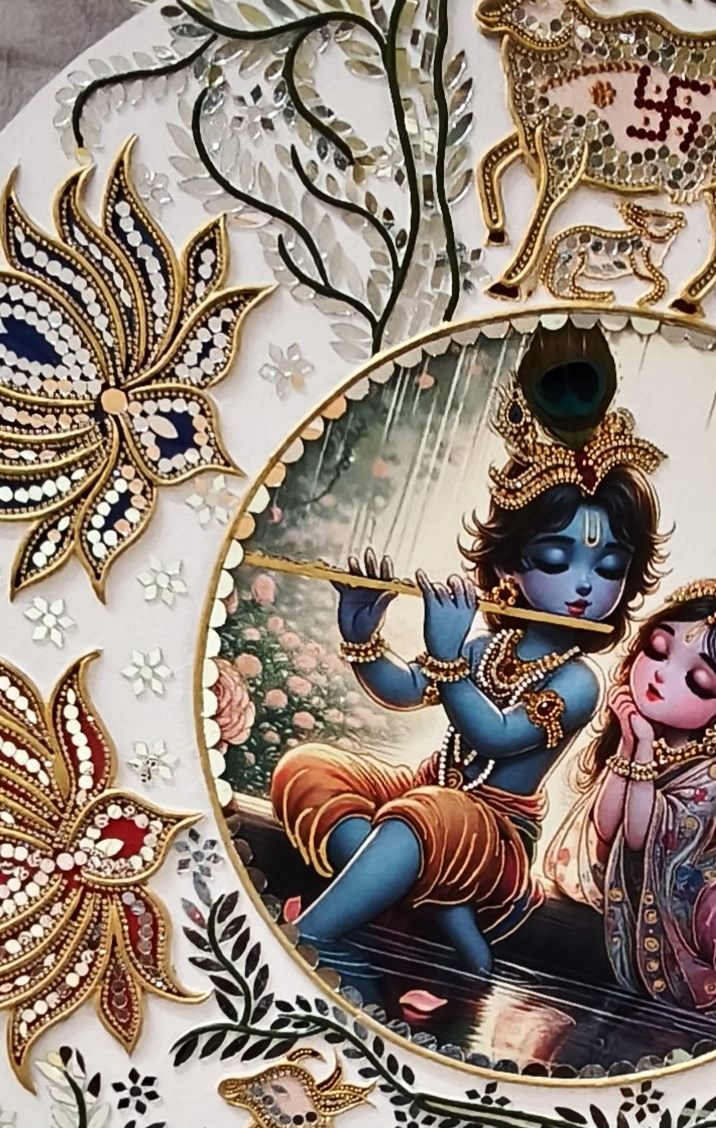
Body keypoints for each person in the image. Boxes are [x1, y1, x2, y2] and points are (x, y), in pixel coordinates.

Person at [271, 328, 666, 974]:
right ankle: (433, 900)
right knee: (308, 768)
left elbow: (497, 734)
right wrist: (362, 635)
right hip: (431, 793)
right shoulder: (490, 644)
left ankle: (310, 937)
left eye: (609, 567)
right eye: (558, 558)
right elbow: (403, 690)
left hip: (494, 832)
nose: (585, 584)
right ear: (509, 564)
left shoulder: (579, 681)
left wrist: (450, 658)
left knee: (421, 818)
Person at [548, 578, 716, 1023]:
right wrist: (629, 743)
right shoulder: (640, 737)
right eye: (657, 650)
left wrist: (641, 750)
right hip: (634, 887)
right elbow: (606, 827)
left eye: (697, 681)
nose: (661, 675)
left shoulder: (714, 772)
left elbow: (640, 836)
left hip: (691, 903)